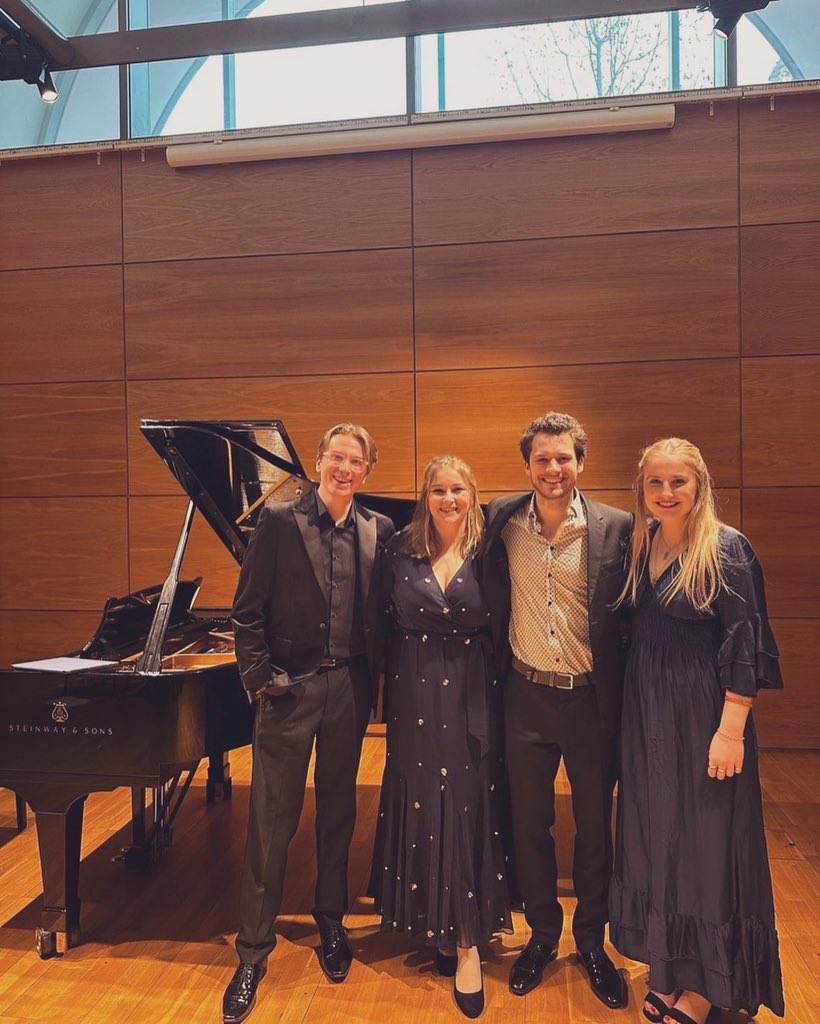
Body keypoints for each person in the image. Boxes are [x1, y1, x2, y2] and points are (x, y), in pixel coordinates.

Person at [222, 423, 395, 1024]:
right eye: (336, 457)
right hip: (289, 690)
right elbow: (246, 615)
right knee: (272, 822)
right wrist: (262, 682)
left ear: (368, 471)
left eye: (357, 461)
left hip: (349, 687)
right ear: (319, 461)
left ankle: (331, 923)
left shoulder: (381, 531)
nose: (345, 468)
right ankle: (252, 952)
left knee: (339, 813)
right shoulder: (276, 523)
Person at [609, 437, 785, 1024]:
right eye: (655, 483)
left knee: (707, 843)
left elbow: (745, 645)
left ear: (700, 485)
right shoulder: (645, 541)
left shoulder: (727, 548)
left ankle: (712, 985)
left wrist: (730, 730)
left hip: (704, 715)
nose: (665, 493)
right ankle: (672, 967)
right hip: (649, 714)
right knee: (662, 837)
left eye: (677, 482)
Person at [483, 411, 631, 1009]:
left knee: (595, 829)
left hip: (591, 699)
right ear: (527, 466)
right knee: (529, 824)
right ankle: (543, 937)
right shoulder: (501, 519)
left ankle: (591, 943)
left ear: (580, 462)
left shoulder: (617, 527)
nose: (552, 469)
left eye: (563, 457)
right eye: (542, 459)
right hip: (524, 695)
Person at [370, 456, 512, 1019]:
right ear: (424, 496)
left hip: (475, 690)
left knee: (469, 803)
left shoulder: (493, 550)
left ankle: (470, 939)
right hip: (415, 690)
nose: (448, 498)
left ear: (473, 494)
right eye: (438, 490)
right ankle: (437, 922)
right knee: (427, 801)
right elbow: (379, 621)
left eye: (457, 489)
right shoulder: (398, 549)